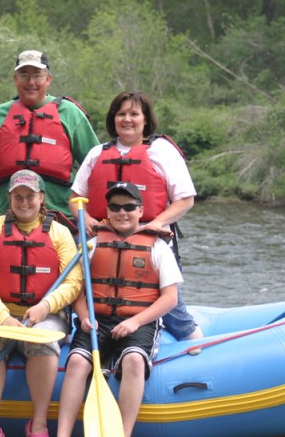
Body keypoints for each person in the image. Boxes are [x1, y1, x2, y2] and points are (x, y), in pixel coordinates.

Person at [69, 90, 202, 341]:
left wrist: (154, 224)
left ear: (145, 119)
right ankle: (76, 336)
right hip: (103, 240)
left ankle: (192, 339)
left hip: (149, 239)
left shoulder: (161, 151)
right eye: (121, 114)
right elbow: (76, 198)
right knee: (80, 290)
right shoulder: (98, 153)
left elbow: (185, 199)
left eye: (134, 114)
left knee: (173, 307)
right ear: (113, 119)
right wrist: (85, 219)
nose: (127, 119)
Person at [56, 182, 181, 437]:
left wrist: (135, 322)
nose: (122, 212)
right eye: (115, 207)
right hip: (97, 319)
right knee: (78, 362)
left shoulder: (158, 247)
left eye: (129, 207)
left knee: (134, 359)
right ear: (108, 212)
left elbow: (170, 299)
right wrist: (83, 316)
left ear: (140, 210)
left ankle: (123, 433)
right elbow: (77, 290)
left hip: (139, 319)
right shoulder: (91, 246)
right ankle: (63, 433)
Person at [0, 170, 84, 437]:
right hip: (0, 312)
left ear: (41, 197)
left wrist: (46, 306)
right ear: (9, 199)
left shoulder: (60, 233)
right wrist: (2, 317)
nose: (24, 202)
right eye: (17, 196)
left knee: (42, 340)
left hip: (46, 313)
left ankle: (39, 423)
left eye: (30, 196)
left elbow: (73, 282)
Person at [0, 50, 99, 223]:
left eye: (37, 75)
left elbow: (95, 167)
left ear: (48, 79)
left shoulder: (71, 114)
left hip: (61, 219)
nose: (31, 82)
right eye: (24, 75)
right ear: (15, 79)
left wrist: (92, 217)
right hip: (7, 219)